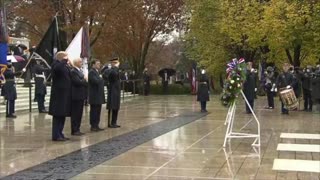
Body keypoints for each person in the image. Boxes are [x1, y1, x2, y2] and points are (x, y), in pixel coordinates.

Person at [49, 51, 72, 141]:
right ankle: (56, 135)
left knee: (62, 114)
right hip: (58, 94)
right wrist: (64, 61)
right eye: (66, 57)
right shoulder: (56, 64)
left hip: (65, 94)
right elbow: (57, 69)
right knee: (58, 115)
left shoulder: (64, 66)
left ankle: (60, 133)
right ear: (62, 58)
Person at [70, 58, 88, 136]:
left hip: (81, 95)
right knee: (75, 113)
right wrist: (84, 80)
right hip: (76, 95)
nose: (81, 63)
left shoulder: (79, 71)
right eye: (80, 62)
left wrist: (83, 81)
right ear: (76, 63)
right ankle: (74, 130)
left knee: (79, 113)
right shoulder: (73, 71)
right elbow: (77, 82)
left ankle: (78, 128)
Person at [88, 59, 105, 132]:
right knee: (94, 111)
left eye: (99, 63)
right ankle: (93, 125)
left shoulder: (98, 72)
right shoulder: (91, 72)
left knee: (98, 111)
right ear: (93, 65)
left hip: (98, 95)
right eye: (97, 64)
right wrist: (101, 78)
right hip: (94, 95)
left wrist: (100, 79)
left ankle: (97, 125)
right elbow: (96, 81)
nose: (99, 65)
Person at [107, 57, 121, 128]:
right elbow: (114, 75)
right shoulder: (111, 70)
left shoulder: (116, 70)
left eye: (116, 63)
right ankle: (110, 123)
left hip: (116, 91)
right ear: (112, 63)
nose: (116, 64)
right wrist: (115, 67)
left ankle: (114, 122)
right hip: (112, 91)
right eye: (115, 63)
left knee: (116, 107)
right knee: (112, 107)